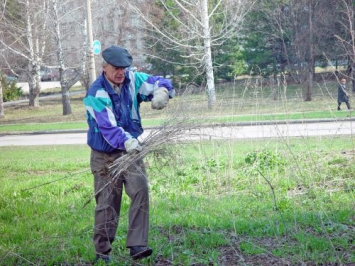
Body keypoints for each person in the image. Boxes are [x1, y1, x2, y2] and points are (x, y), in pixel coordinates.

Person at [83, 45, 175, 263]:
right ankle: (102, 251)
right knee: (107, 203)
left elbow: (159, 81)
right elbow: (107, 128)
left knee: (140, 191)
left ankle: (137, 245)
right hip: (105, 155)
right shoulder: (96, 93)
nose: (121, 72)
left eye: (124, 68)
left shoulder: (132, 80)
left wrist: (162, 91)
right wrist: (128, 141)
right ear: (104, 67)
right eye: (116, 68)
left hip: (131, 152)